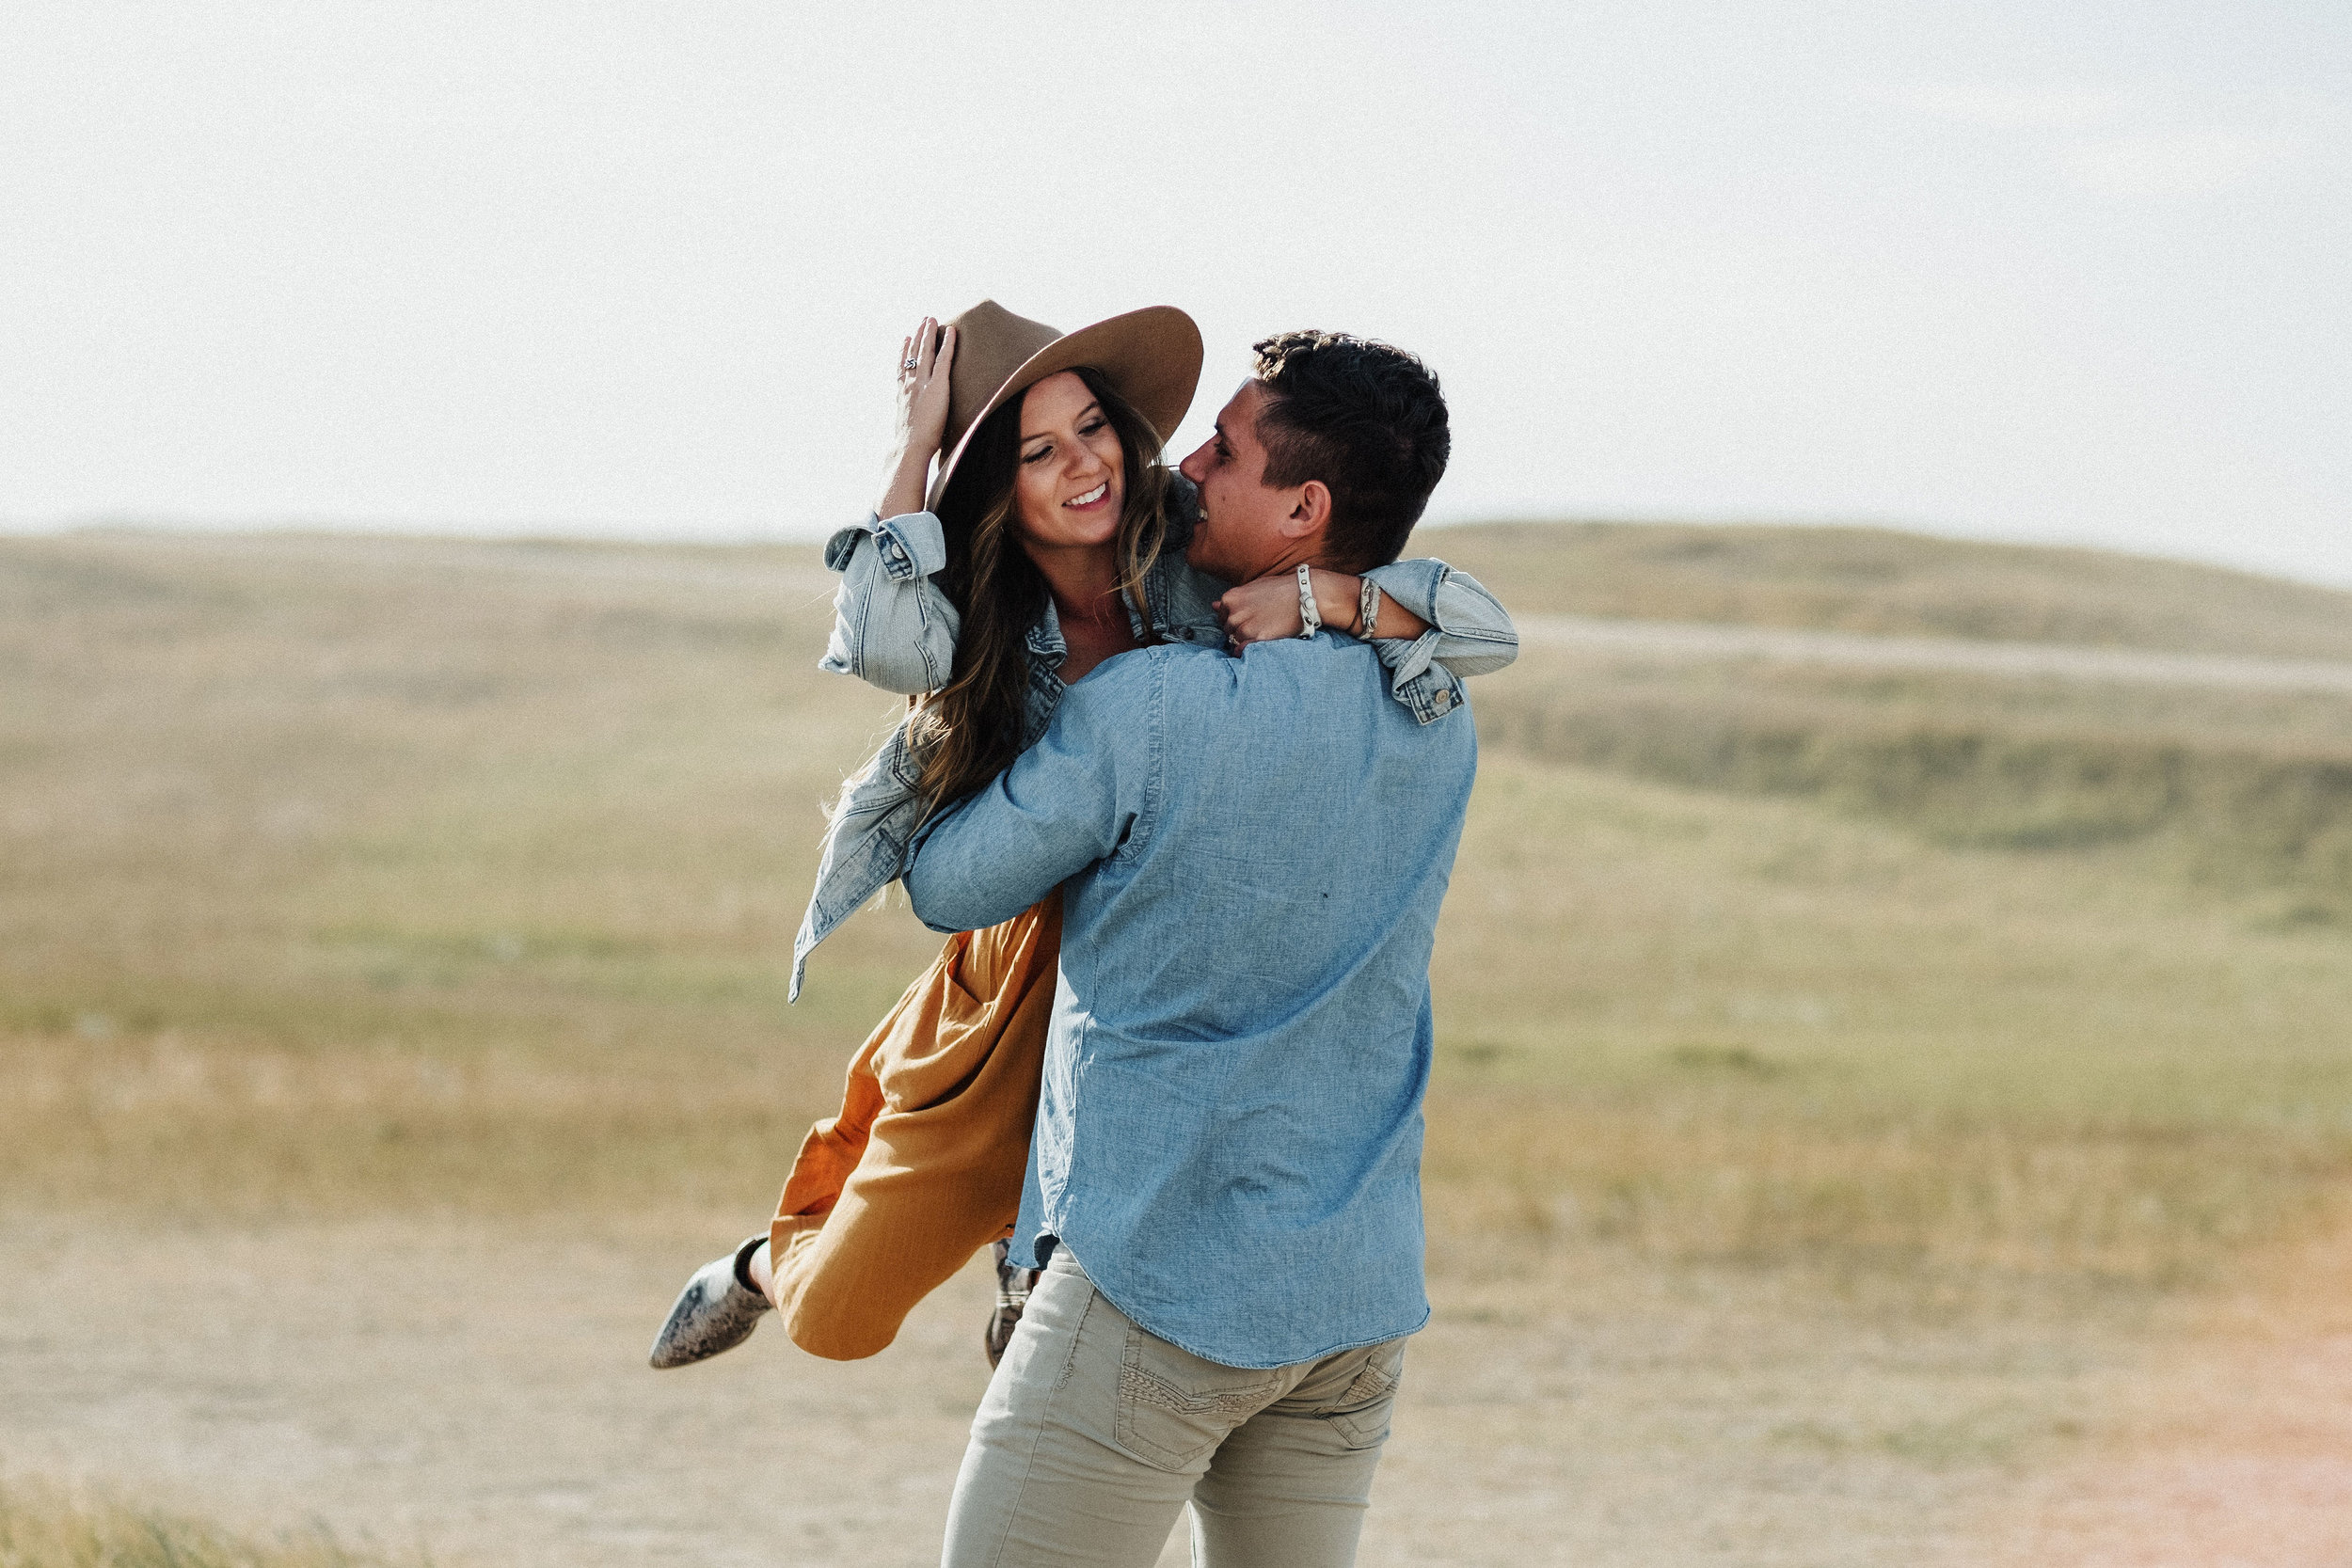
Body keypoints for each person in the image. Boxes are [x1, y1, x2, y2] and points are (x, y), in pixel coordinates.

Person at [648, 303, 1516, 1375]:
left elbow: (1479, 627)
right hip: (1013, 968)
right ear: (993, 486)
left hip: (1166, 951)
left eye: (1094, 428)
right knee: (840, 1316)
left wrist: (1329, 593)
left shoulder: (1197, 547)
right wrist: (916, 445)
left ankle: (1035, 1267)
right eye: (1037, 451)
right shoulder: (975, 612)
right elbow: (875, 641)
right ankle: (756, 1268)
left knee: (1084, 1274)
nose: (1084, 464)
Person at [908, 327, 1477, 1566]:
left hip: (1158, 1282)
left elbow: (949, 886)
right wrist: (1336, 603)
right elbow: (1463, 622)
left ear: (1304, 508)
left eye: (1227, 448)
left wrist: (974, 687)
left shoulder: (1149, 708)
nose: (1192, 465)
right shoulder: (1439, 708)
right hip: (1349, 1303)